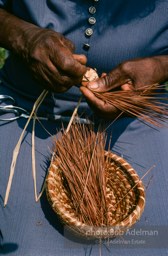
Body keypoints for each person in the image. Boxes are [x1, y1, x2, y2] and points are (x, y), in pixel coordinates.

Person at [0, 1, 168, 255]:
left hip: (138, 110)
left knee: (149, 243)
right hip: (28, 109)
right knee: (32, 246)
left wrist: (162, 66)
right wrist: (24, 38)